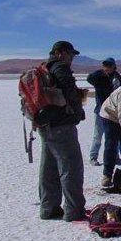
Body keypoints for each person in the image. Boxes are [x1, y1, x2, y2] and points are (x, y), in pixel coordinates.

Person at [37, 40, 87, 221]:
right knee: (71, 167)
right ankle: (74, 211)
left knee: (49, 168)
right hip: (62, 126)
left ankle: (48, 209)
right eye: (70, 54)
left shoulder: (45, 68)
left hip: (45, 125)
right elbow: (70, 92)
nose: (72, 58)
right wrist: (78, 113)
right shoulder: (60, 68)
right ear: (59, 53)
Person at [86, 58, 121, 166]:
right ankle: (93, 157)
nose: (107, 67)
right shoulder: (99, 77)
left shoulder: (118, 79)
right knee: (98, 135)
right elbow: (89, 78)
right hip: (100, 111)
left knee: (114, 135)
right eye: (105, 65)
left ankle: (115, 157)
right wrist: (101, 72)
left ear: (114, 67)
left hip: (113, 112)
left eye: (109, 65)